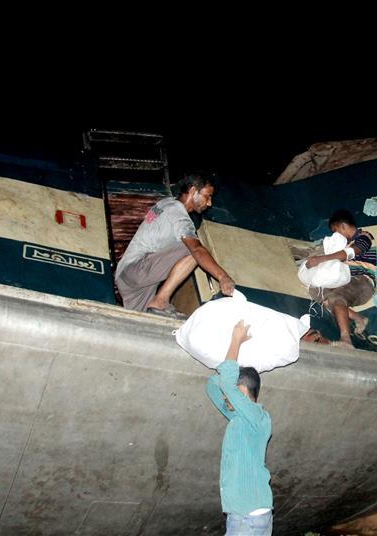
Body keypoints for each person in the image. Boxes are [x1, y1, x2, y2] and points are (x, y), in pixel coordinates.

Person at [114, 173, 235, 315]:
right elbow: (196, 249)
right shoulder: (179, 214)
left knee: (142, 324)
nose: (209, 203)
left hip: (130, 280)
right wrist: (222, 276)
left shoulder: (165, 203)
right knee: (194, 250)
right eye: (207, 196)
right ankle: (161, 300)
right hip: (137, 269)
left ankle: (157, 303)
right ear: (192, 191)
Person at [206, 321, 273, 535]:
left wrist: (236, 340)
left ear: (241, 390)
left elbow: (225, 384)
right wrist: (230, 372)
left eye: (232, 392)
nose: (226, 398)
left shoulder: (257, 417)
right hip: (249, 515)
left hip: (247, 518)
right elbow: (212, 386)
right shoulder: (239, 418)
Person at [305, 209, 376, 348]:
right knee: (319, 294)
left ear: (343, 226)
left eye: (336, 230)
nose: (335, 234)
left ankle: (346, 339)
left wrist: (321, 259)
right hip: (346, 282)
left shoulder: (365, 236)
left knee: (336, 298)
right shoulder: (344, 245)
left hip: (363, 282)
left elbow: (349, 253)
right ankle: (359, 318)